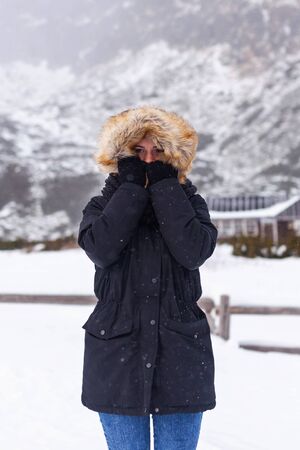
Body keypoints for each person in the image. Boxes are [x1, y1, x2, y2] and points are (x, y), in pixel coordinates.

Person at [77, 106, 218, 450]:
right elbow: (101, 248)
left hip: (181, 357)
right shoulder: (100, 206)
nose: (149, 160)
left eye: (158, 151)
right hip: (117, 355)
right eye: (138, 152)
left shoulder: (191, 204)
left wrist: (165, 187)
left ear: (173, 157)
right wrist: (131, 188)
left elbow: (193, 251)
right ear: (121, 156)